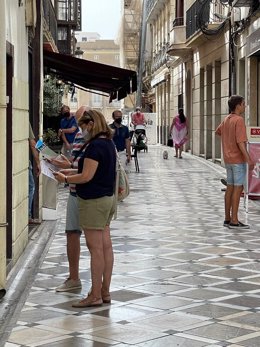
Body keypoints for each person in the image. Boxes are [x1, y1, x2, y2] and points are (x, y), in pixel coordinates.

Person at [53, 109, 116, 308]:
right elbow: (90, 170)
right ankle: (104, 291)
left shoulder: (95, 146)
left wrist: (65, 178)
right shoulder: (108, 143)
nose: (82, 131)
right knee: (106, 247)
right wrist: (70, 170)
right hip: (107, 199)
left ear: (91, 124)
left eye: (83, 126)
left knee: (95, 248)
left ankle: (95, 295)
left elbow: (86, 176)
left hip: (93, 201)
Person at [50, 106, 90, 292]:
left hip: (90, 195)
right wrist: (65, 165)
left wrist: (66, 173)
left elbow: (88, 171)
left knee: (95, 240)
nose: (79, 125)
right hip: (75, 192)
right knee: (72, 233)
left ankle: (99, 289)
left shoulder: (96, 140)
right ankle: (74, 278)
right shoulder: (80, 137)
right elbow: (77, 165)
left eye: (81, 120)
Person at [215, 95, 254, 229]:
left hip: (228, 159)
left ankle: (227, 218)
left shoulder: (226, 119)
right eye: (243, 104)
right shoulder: (239, 120)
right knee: (238, 188)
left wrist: (228, 140)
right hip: (237, 159)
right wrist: (248, 159)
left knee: (230, 188)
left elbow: (218, 131)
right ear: (237, 106)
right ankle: (235, 220)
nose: (245, 106)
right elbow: (241, 142)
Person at [28, 123, 41, 224]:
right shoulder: (25, 122)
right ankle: (27, 216)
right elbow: (33, 143)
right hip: (23, 162)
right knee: (30, 187)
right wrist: (38, 163)